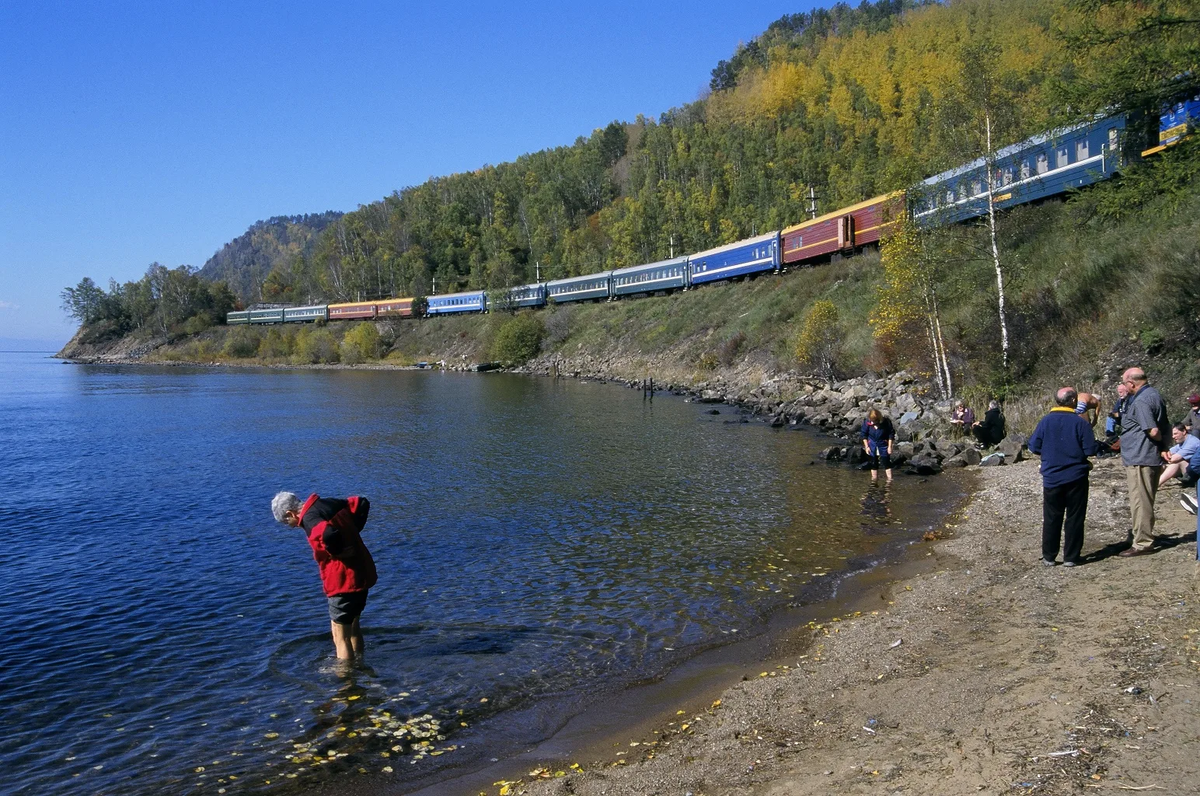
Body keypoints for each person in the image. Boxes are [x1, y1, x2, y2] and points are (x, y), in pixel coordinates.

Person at [272, 491, 377, 660]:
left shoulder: (310, 518)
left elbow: (327, 533)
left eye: (289, 523)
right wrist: (353, 534)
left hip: (342, 581)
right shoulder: (327, 503)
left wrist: (338, 552)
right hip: (361, 573)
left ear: (290, 513)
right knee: (354, 627)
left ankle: (346, 680)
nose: (293, 526)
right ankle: (359, 663)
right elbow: (361, 503)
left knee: (340, 636)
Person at [1028, 387, 1099, 567]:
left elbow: (1033, 446)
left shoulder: (1046, 421)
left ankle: (1049, 556)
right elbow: (1090, 449)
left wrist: (1050, 453)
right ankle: (1071, 556)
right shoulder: (1080, 422)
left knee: (1052, 517)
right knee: (1075, 517)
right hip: (1076, 476)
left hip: (1052, 476)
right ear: (1074, 400)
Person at [1117, 367, 1171, 557]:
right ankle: (1143, 537)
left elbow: (1153, 430)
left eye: (1124, 383)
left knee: (1140, 502)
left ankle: (1142, 542)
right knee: (1145, 499)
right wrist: (1164, 447)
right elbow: (1165, 425)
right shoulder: (1155, 395)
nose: (1124, 386)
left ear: (1131, 383)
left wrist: (1159, 443)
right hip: (1149, 456)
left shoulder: (1141, 401)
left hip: (1141, 458)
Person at [1158, 423, 1200, 488]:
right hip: (1189, 471)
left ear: (1184, 431)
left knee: (1177, 462)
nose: (1173, 437)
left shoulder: (1192, 442)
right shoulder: (1182, 443)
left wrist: (1165, 456)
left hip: (1196, 475)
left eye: (1175, 434)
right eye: (1172, 434)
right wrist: (1163, 454)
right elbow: (1168, 452)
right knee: (1162, 464)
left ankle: (1156, 484)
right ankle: (1153, 481)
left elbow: (1174, 459)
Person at [861, 408, 895, 483]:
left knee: (886, 462)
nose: (873, 423)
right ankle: (874, 480)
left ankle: (889, 480)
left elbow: (891, 434)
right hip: (872, 444)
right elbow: (864, 435)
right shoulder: (867, 422)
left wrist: (890, 446)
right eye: (872, 421)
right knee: (873, 463)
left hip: (883, 444)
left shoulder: (886, 422)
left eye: (875, 421)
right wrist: (866, 447)